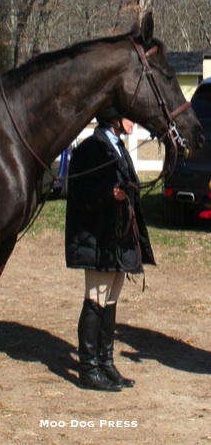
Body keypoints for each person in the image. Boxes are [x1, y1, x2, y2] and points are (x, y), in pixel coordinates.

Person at [65, 108, 156, 392]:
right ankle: (88, 368)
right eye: (129, 115)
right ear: (113, 118)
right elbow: (79, 194)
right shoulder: (90, 149)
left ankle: (105, 362)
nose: (134, 120)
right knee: (95, 299)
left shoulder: (117, 146)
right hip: (97, 238)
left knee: (111, 299)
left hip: (115, 238)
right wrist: (109, 194)